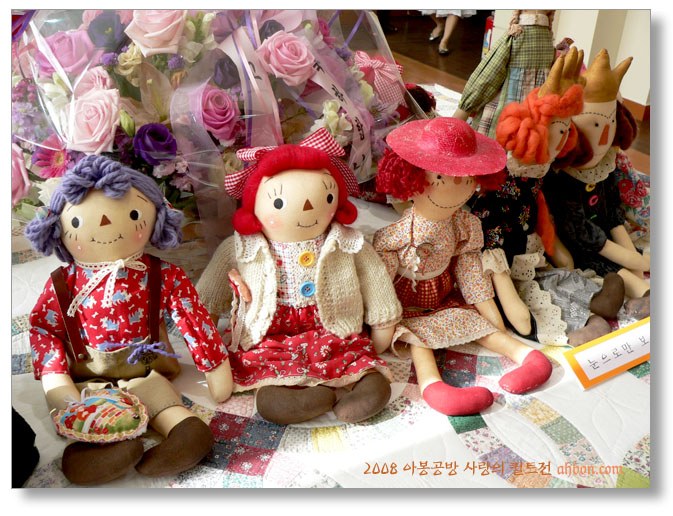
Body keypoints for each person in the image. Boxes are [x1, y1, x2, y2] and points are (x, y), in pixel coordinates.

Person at [373, 117, 553, 417]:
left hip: (444, 298)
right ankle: (434, 386)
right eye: (441, 177)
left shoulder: (464, 225)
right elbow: (380, 285)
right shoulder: (395, 237)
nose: (459, 184)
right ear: (411, 179)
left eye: (468, 177)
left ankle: (528, 356)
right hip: (406, 306)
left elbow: (469, 271)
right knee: (420, 343)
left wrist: (491, 315)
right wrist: (382, 325)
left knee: (477, 325)